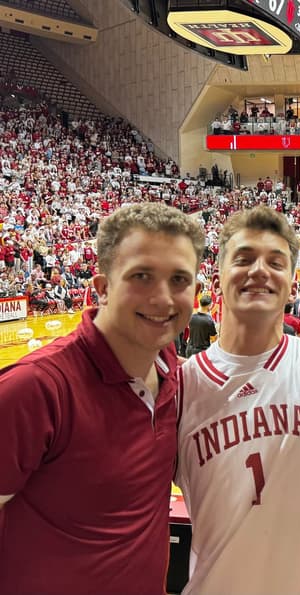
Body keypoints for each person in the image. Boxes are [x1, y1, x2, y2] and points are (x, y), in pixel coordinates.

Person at [0, 203, 205, 594]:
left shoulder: (176, 379)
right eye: (141, 276)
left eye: (179, 279)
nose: (163, 298)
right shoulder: (37, 388)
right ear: (102, 288)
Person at [175, 207, 300, 595]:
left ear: (292, 285)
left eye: (275, 262)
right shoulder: (179, 387)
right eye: (243, 259)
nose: (259, 270)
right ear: (217, 278)